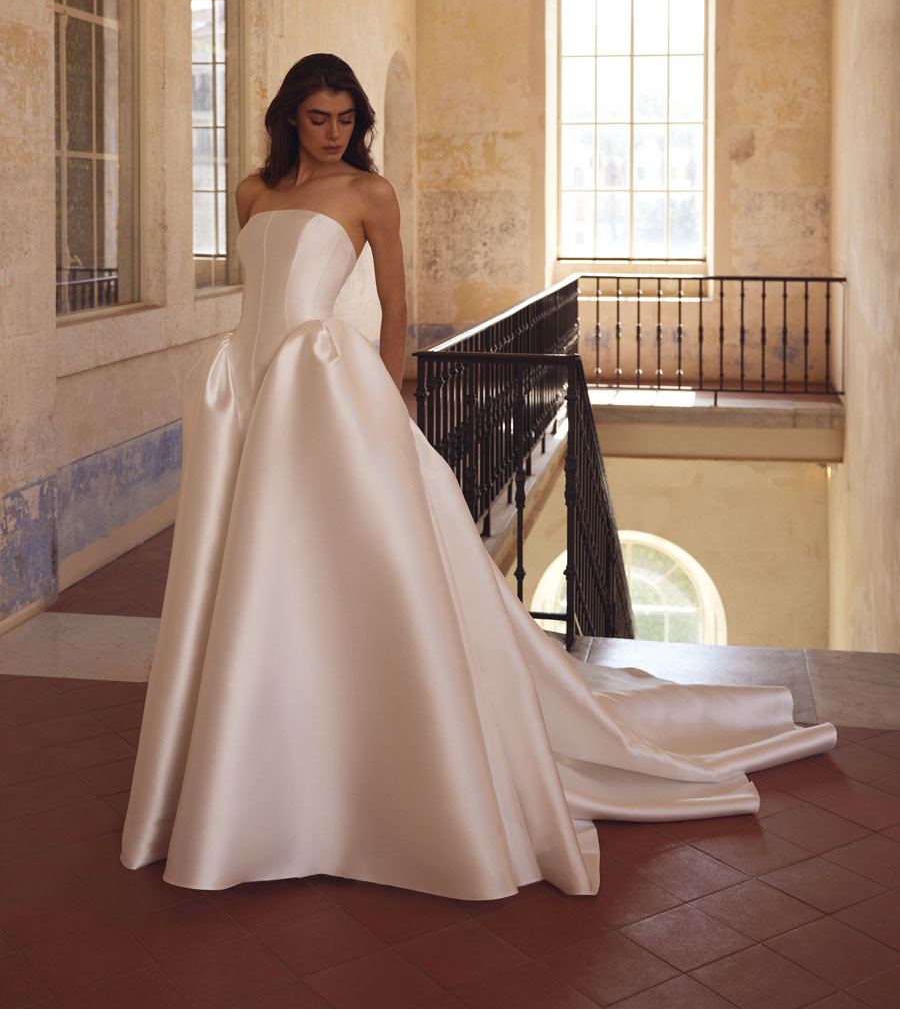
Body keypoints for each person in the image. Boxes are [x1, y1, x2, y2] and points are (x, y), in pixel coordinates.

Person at [120, 53, 836, 900]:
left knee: (340, 562)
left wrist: (383, 406)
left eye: (347, 118)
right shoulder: (251, 192)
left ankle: (353, 760)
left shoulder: (367, 195)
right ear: (288, 118)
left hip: (321, 391)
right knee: (247, 566)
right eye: (319, 117)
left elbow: (394, 310)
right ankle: (260, 752)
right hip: (246, 385)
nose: (335, 132)